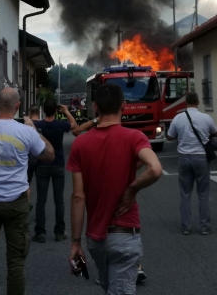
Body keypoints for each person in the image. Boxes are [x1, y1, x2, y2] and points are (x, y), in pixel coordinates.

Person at [67, 83, 162, 294]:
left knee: (109, 285)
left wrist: (75, 242)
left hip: (95, 238)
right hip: (125, 234)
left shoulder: (80, 144)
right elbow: (155, 169)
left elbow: (78, 197)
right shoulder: (134, 138)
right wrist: (132, 189)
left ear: (95, 107)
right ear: (124, 106)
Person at [0, 88, 54, 294]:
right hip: (17, 203)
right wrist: (36, 131)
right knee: (16, 264)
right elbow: (49, 155)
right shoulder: (26, 132)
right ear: (17, 106)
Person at [166, 91, 217, 235]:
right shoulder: (206, 118)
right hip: (201, 157)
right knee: (203, 193)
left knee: (185, 194)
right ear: (197, 102)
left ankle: (186, 227)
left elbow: (170, 137)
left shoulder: (178, 118)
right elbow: (216, 133)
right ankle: (204, 226)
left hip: (184, 157)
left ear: (186, 103)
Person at [33, 98, 78, 243]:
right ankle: (59, 231)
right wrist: (65, 111)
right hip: (58, 164)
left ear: (43, 110)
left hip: (42, 164)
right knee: (59, 201)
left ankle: (40, 232)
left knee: (41, 200)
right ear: (55, 110)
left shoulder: (38, 125)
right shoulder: (60, 124)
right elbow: (74, 125)